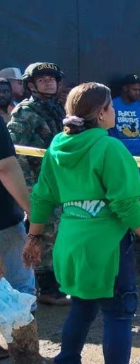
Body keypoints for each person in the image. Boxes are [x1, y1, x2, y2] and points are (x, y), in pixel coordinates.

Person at [22, 82, 140, 364]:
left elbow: (41, 198)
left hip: (71, 242)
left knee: (83, 306)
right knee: (119, 313)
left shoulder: (57, 147)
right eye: (111, 107)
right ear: (100, 113)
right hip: (106, 247)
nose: (114, 112)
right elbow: (125, 204)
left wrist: (34, 237)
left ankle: (67, 359)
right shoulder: (110, 147)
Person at [7, 62, 68, 306]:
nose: (49, 82)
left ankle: (54, 284)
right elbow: (14, 152)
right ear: (31, 85)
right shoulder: (25, 112)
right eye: (42, 80)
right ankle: (45, 289)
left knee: (55, 232)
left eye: (52, 79)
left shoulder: (56, 110)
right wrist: (28, 185)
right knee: (41, 231)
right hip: (39, 185)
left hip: (58, 183)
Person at [0, 116, 50, 364]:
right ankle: (26, 358)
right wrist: (34, 214)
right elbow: (5, 167)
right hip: (3, 224)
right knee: (19, 291)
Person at [108, 74, 140, 160]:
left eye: (139, 90)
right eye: (134, 89)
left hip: (138, 155)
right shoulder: (111, 105)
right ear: (125, 88)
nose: (137, 92)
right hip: (116, 154)